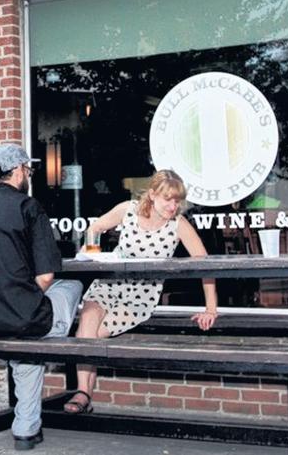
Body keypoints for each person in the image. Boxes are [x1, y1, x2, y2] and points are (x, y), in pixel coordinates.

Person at [0, 143, 82, 451]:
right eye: (29, 170)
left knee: (26, 341)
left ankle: (26, 428)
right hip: (22, 319)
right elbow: (46, 277)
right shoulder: (29, 207)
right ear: (21, 171)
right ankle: (28, 425)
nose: (30, 175)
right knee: (73, 285)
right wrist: (21, 297)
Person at [62, 169, 218, 415]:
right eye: (168, 199)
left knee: (90, 336)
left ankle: (84, 395)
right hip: (109, 283)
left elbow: (205, 264)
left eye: (177, 200)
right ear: (153, 195)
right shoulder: (129, 209)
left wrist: (211, 308)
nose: (172, 206)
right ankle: (83, 393)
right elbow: (97, 226)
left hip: (141, 296)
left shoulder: (178, 224)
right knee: (87, 324)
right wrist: (89, 251)